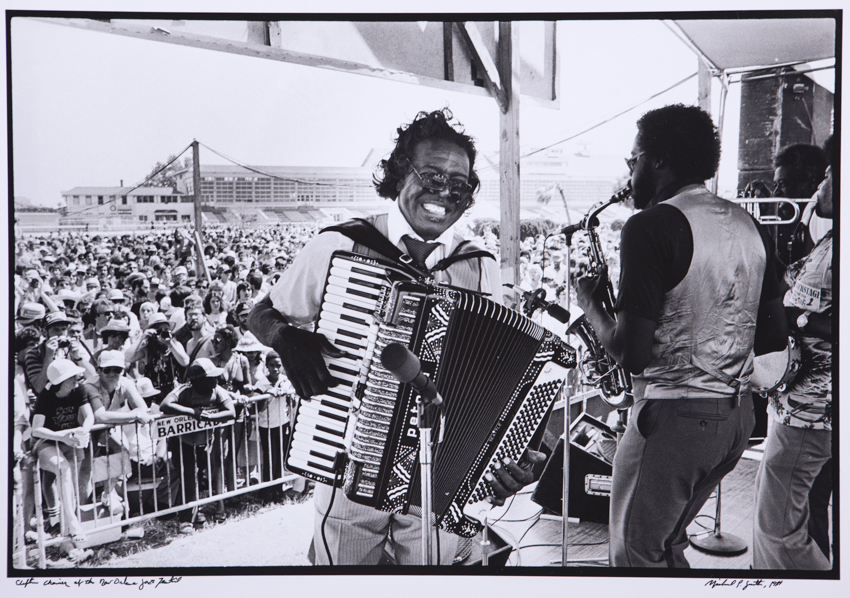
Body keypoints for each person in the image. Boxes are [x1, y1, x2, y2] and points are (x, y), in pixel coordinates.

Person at [249, 108, 542, 565]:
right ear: (399, 173)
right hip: (347, 461)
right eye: (431, 174)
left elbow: (499, 372)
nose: (444, 191)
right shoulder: (341, 244)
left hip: (442, 475)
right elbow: (262, 311)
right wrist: (285, 338)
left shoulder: (478, 265)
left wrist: (506, 458)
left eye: (459, 184)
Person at [575, 104, 787, 568]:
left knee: (633, 555)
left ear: (658, 160)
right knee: (666, 545)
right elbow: (774, 338)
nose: (629, 174)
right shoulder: (750, 224)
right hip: (737, 422)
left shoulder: (648, 226)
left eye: (633, 161)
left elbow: (632, 355)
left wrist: (591, 303)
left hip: (672, 420)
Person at [752, 135, 834, 570]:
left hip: (813, 409)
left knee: (779, 531)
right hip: (799, 400)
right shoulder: (825, 235)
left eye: (829, 174)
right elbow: (795, 285)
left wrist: (798, 318)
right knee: (796, 518)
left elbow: (803, 307)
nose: (824, 182)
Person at [160, 358, 236, 533]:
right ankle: (186, 519)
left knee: (197, 476)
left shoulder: (217, 390)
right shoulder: (185, 390)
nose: (215, 381)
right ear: (197, 381)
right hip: (183, 443)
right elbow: (165, 404)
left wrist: (209, 417)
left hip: (203, 443)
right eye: (211, 378)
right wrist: (192, 412)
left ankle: (195, 511)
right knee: (188, 477)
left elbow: (230, 411)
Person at [30, 359, 95, 546]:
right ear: (60, 381)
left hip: (70, 441)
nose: (76, 379)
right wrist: (62, 436)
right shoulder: (46, 395)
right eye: (71, 377)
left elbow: (89, 415)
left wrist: (85, 429)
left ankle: (68, 531)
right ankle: (72, 524)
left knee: (70, 484)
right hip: (46, 443)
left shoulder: (79, 390)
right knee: (63, 469)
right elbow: (36, 430)